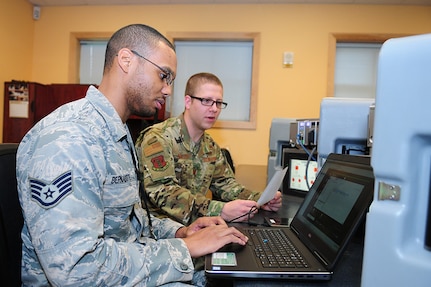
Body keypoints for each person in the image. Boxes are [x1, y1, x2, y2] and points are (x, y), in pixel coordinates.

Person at [16, 24, 248, 287]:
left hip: (125, 268)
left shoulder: (118, 133)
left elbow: (131, 225)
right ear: (126, 60)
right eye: (163, 75)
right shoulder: (68, 139)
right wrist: (184, 249)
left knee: (236, 277)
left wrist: (181, 232)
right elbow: (76, 270)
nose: (168, 90)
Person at [135, 72, 282, 227]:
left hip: (195, 227)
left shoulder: (209, 146)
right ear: (188, 101)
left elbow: (226, 184)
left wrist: (258, 200)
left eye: (219, 103)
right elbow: (163, 192)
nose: (214, 109)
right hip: (157, 231)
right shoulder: (158, 138)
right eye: (206, 101)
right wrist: (219, 210)